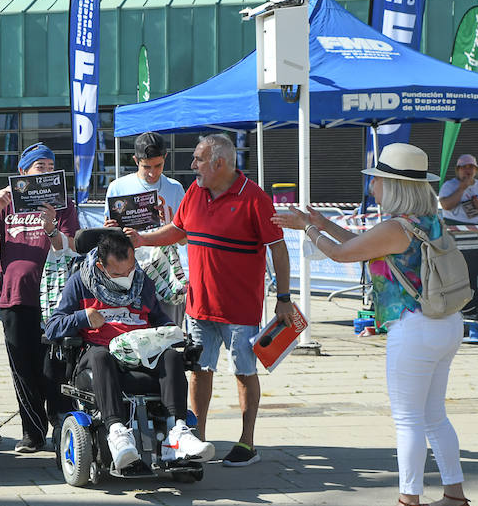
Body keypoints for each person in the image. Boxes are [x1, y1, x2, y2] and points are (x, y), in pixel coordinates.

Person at [274, 143, 472, 506]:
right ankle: (454, 495)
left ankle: (408, 503)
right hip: (446, 323)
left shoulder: (395, 227)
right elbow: (355, 242)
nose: (372, 187)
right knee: (434, 415)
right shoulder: (428, 221)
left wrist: (308, 228)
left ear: (393, 185)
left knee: (409, 419)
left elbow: (341, 255)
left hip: (414, 328)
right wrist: (320, 221)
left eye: (376, 180)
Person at [129, 134, 296, 467]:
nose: (192, 166)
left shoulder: (254, 198)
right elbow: (177, 230)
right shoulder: (195, 192)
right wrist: (140, 238)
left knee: (244, 372)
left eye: (198, 159)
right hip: (198, 306)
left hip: (240, 309)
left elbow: (278, 247)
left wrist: (284, 298)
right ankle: (197, 439)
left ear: (219, 163)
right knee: (199, 371)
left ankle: (247, 443)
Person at [44, 229, 214, 469]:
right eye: (118, 273)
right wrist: (83, 317)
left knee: (171, 357)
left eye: (130, 269)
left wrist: (175, 334)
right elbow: (52, 327)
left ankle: (177, 432)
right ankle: (116, 432)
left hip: (141, 354)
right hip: (97, 354)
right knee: (102, 355)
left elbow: (158, 318)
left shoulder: (142, 282)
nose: (127, 276)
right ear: (102, 267)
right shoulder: (80, 283)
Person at [0, 142, 77, 453]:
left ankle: (60, 425)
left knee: (52, 367)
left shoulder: (64, 204)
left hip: (52, 299)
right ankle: (32, 433)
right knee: (22, 368)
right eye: (38, 167)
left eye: (49, 166)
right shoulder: (6, 207)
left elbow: (69, 248)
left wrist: (51, 228)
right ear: (23, 173)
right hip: (14, 298)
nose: (45, 171)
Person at [106, 132, 189, 325]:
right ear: (135, 160)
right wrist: (108, 230)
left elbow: (185, 239)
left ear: (165, 158)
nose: (152, 173)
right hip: (129, 275)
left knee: (169, 335)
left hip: (166, 278)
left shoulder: (175, 189)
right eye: (146, 167)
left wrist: (169, 223)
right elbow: (108, 240)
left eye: (158, 166)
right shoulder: (117, 188)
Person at [438, 154, 478, 224]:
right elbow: (446, 206)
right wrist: (461, 189)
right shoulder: (448, 185)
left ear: (476, 170)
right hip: (455, 229)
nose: (467, 170)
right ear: (458, 170)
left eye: (471, 167)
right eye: (464, 167)